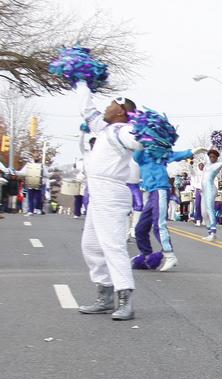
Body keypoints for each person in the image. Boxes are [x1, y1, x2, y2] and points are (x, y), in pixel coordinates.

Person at [75, 83, 146, 320]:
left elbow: (137, 141)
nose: (105, 108)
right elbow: (87, 109)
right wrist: (82, 81)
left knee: (113, 246)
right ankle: (104, 297)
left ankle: (125, 299)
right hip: (98, 194)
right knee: (91, 247)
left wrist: (145, 132)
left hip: (112, 194)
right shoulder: (104, 128)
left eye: (111, 104)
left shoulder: (121, 131)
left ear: (121, 111)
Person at [132, 146, 204, 273]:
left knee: (159, 224)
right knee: (140, 228)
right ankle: (147, 256)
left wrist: (193, 151)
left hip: (161, 190)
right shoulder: (142, 155)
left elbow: (176, 155)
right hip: (152, 192)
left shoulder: (161, 155)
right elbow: (136, 155)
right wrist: (140, 140)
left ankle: (169, 255)